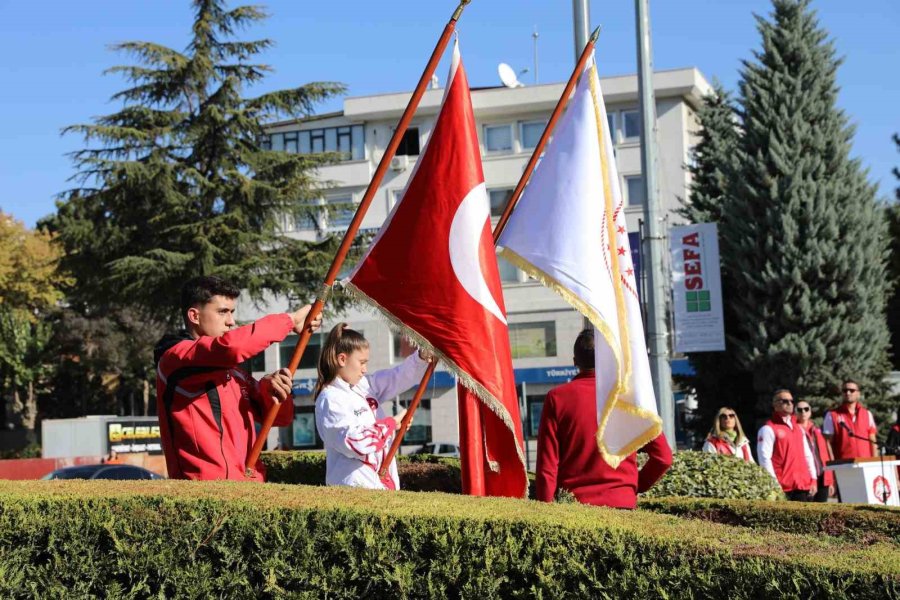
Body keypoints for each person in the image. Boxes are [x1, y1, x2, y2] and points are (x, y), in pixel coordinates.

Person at [154, 275, 321, 481]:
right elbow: (233, 347)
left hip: (248, 489)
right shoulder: (175, 357)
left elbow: (280, 418)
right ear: (194, 316)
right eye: (222, 312)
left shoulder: (233, 372)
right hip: (208, 494)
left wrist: (271, 388)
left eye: (232, 312)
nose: (231, 321)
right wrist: (290, 320)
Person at [535, 329, 672, 509]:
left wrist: (545, 511)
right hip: (622, 505)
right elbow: (663, 458)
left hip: (575, 508)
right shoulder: (630, 398)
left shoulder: (557, 398)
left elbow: (547, 467)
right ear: (608, 359)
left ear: (575, 361)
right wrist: (633, 486)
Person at [314, 323, 431, 490]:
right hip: (355, 489)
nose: (364, 369)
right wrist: (390, 424)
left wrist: (421, 357)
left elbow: (397, 377)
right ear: (342, 359)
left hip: (379, 485)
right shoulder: (330, 399)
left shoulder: (363, 386)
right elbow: (356, 442)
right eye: (361, 362)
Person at [757, 389, 818, 501]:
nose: (789, 403)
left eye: (791, 401)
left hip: (803, 486)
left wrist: (813, 478)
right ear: (775, 404)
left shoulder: (798, 428)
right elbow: (764, 459)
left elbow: (807, 455)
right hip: (783, 488)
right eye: (785, 401)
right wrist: (774, 485)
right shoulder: (768, 429)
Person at [823, 379, 878, 460]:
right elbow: (827, 443)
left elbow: (872, 440)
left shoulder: (867, 414)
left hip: (865, 462)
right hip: (843, 463)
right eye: (845, 390)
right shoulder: (832, 415)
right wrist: (832, 463)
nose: (848, 393)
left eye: (852, 390)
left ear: (858, 394)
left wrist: (875, 461)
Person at [795, 399, 835, 502]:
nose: (803, 412)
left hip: (822, 476)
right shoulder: (794, 430)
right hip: (805, 477)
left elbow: (826, 454)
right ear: (795, 412)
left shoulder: (818, 429)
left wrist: (830, 481)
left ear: (810, 412)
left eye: (806, 409)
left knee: (821, 508)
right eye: (799, 409)